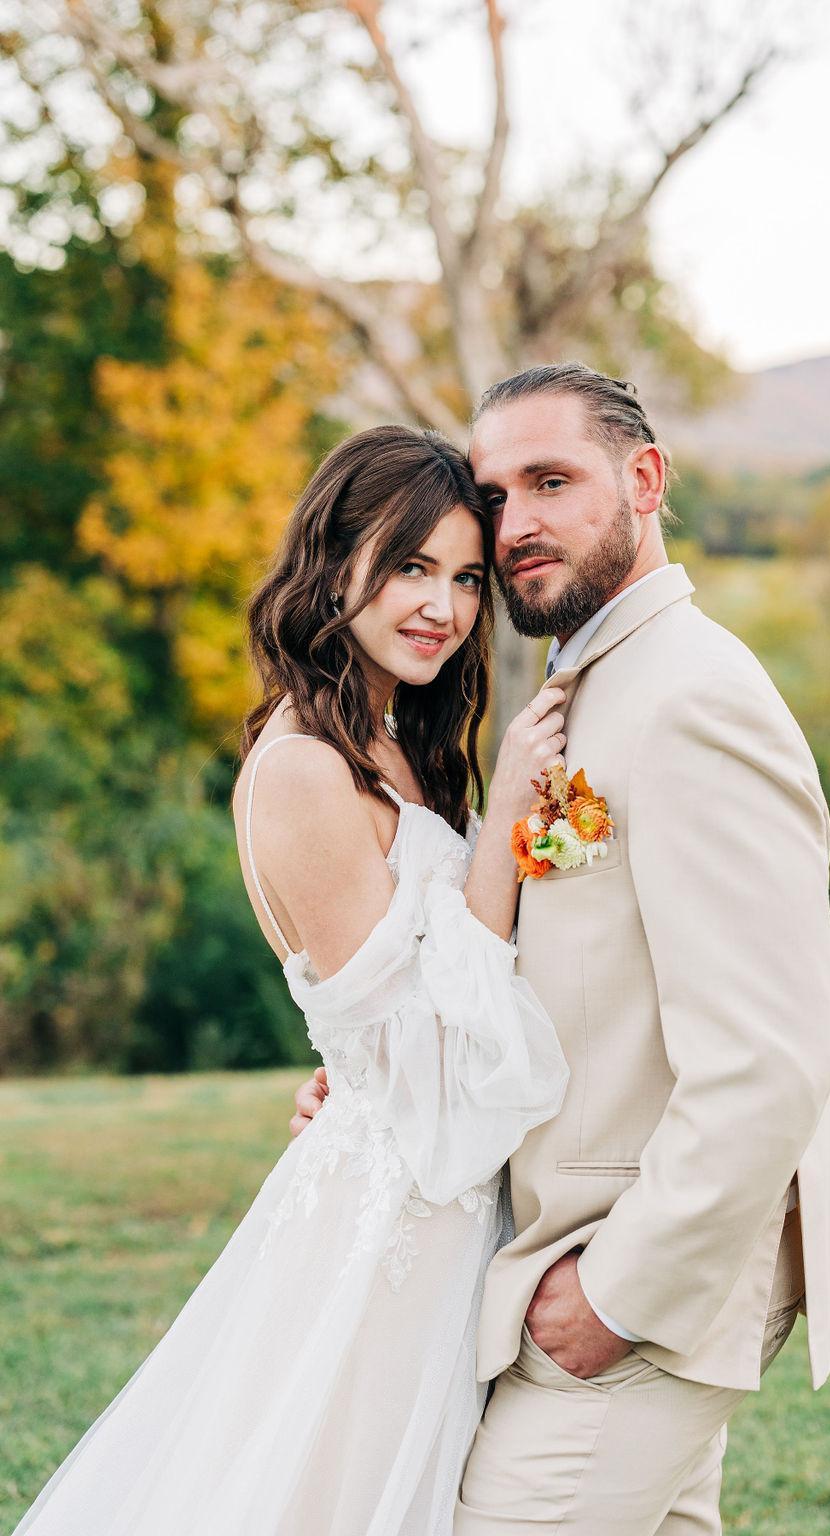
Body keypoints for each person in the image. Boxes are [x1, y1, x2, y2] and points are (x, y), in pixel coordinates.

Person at [293, 365, 830, 1534]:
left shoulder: (691, 697)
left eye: (551, 481)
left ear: (644, 480)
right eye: (496, 495)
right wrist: (384, 1082)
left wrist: (617, 1293)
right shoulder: (589, 683)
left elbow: (773, 1055)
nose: (514, 524)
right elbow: (567, 965)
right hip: (567, 1258)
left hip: (634, 1284)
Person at [11, 424, 571, 1536]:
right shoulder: (305, 769)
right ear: (334, 561)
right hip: (393, 1225)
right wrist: (509, 817)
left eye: (467, 578)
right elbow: (425, 1059)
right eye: (410, 566)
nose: (443, 607)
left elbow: (400, 1004)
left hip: (441, 1198)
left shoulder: (395, 743)